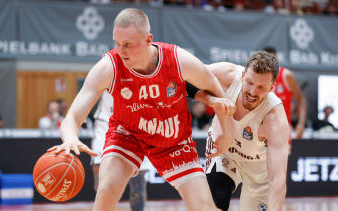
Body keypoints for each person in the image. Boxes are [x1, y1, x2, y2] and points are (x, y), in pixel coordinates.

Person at [48, 8, 235, 211]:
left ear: (148, 40)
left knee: (204, 208)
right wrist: (69, 137)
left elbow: (215, 89)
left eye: (128, 44)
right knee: (107, 189)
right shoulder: (109, 67)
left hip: (173, 142)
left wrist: (227, 133)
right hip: (127, 135)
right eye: (117, 43)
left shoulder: (178, 60)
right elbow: (72, 117)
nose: (121, 50)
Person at [192, 51, 289, 210]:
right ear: (243, 75)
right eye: (249, 82)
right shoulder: (226, 75)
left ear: (272, 88)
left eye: (261, 87)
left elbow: (277, 181)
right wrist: (210, 100)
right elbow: (187, 75)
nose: (252, 92)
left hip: (259, 165)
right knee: (216, 201)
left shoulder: (275, 119)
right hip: (224, 152)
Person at [91, 91, 151, 211]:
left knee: (138, 184)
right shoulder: (106, 72)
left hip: (137, 127)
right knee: (101, 181)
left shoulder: (149, 74)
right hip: (105, 125)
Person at [263, 46, 306, 140]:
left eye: (273, 60)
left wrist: (301, 124)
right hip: (261, 133)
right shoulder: (258, 78)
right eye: (267, 61)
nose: (270, 64)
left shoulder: (286, 75)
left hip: (282, 133)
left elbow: (301, 100)